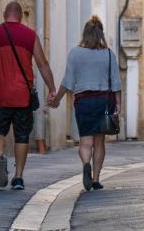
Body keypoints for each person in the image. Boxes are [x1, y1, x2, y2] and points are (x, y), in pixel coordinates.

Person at [0, 1, 56, 190]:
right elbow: (42, 64)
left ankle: (1, 154)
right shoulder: (30, 36)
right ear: (20, 16)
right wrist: (52, 89)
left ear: (5, 14)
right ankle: (18, 177)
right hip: (22, 97)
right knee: (21, 136)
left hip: (0, 95)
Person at [48, 15, 122, 191]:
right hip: (104, 102)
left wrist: (56, 99)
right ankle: (96, 179)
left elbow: (67, 81)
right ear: (101, 34)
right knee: (100, 142)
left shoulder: (75, 53)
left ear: (85, 34)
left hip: (84, 102)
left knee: (85, 142)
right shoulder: (109, 55)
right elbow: (116, 82)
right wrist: (119, 106)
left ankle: (86, 164)